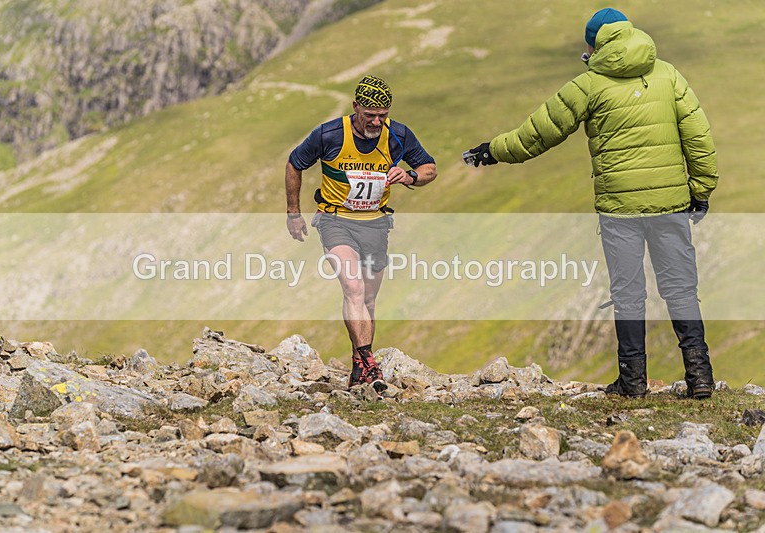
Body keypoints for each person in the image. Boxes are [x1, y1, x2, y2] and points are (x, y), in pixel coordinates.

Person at [467, 8, 718, 399]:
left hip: (619, 210)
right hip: (671, 203)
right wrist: (700, 191)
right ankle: (700, 377)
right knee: (681, 288)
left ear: (594, 44)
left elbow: (537, 133)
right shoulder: (668, 74)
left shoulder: (589, 84)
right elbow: (699, 137)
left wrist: (492, 151)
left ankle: (632, 382)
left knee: (629, 292)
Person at [286, 75, 437, 390]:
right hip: (335, 220)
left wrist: (410, 176)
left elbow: (429, 168)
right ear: (355, 107)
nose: (377, 122)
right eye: (370, 115)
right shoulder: (329, 134)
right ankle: (371, 364)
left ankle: (359, 369)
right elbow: (294, 163)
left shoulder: (397, 135)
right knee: (353, 288)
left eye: (383, 116)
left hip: (376, 224)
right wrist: (293, 213)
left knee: (368, 299)